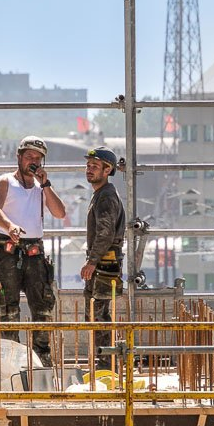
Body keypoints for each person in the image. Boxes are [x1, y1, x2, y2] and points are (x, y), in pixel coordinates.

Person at [0, 135, 66, 365]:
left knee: (42, 308)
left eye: (38, 158)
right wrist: (9, 226)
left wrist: (46, 185)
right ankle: (11, 361)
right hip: (8, 251)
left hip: (34, 252)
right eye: (29, 156)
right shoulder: (5, 182)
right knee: (9, 309)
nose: (33, 161)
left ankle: (42, 360)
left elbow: (60, 213)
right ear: (19, 157)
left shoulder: (41, 188)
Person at [80, 146, 126, 371]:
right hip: (103, 263)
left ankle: (107, 365)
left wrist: (92, 261)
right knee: (96, 314)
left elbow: (106, 232)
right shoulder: (101, 194)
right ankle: (105, 363)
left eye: (95, 166)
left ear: (107, 170)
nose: (89, 170)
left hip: (105, 264)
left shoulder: (106, 197)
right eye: (88, 165)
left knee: (99, 315)